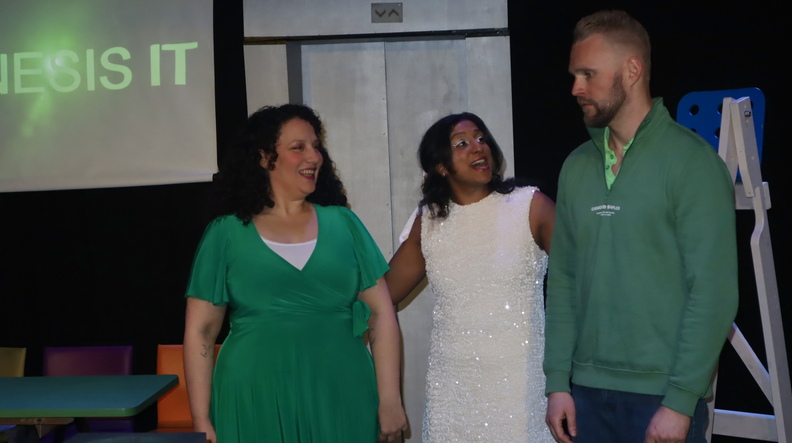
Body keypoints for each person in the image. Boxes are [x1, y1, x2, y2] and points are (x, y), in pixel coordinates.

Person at [543, 10, 738, 443]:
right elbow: (564, 282)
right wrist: (557, 383)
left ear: (632, 70)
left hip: (662, 397)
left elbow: (713, 293)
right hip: (584, 395)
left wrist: (680, 402)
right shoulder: (575, 167)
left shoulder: (692, 163)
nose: (576, 88)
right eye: (574, 75)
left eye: (588, 74)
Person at [183, 103, 407, 443]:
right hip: (253, 396)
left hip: (342, 391)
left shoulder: (344, 224)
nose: (314, 156)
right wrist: (200, 418)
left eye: (316, 146)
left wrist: (390, 399)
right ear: (264, 157)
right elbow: (200, 331)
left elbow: (382, 313)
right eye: (298, 147)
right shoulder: (225, 233)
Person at [386, 112, 556, 442]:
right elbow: (383, 295)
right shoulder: (429, 222)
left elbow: (578, 283)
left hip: (522, 395)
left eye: (480, 138)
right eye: (461, 143)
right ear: (441, 166)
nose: (478, 147)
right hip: (452, 400)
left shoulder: (530, 205)